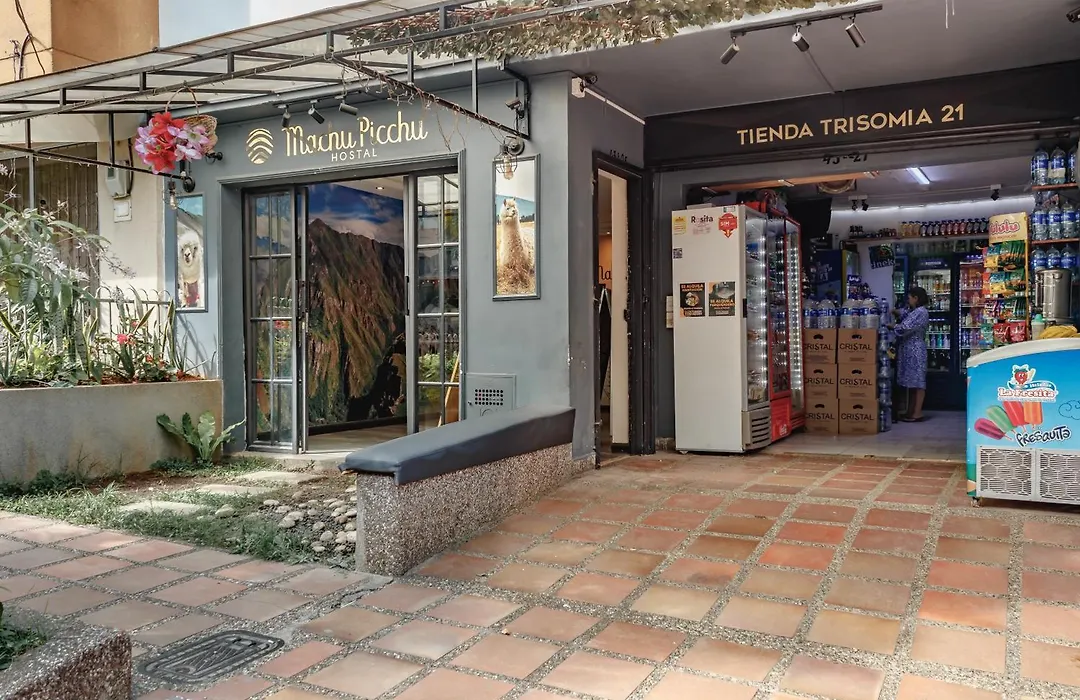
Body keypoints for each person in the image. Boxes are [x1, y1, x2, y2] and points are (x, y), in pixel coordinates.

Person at [889, 286, 930, 422]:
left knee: (918, 383)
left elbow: (906, 327)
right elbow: (905, 313)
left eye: (910, 298)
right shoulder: (915, 311)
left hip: (915, 350)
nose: (908, 301)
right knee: (911, 383)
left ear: (916, 298)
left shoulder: (921, 312)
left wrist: (892, 326)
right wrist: (894, 311)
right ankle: (910, 412)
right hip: (909, 350)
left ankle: (917, 413)